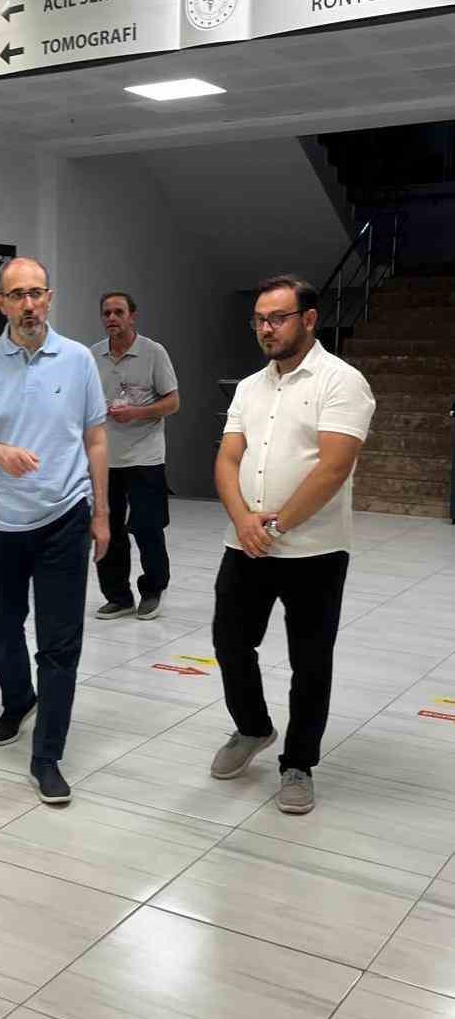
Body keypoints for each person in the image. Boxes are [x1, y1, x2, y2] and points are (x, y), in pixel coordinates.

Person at [212, 274, 375, 815]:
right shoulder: (249, 388)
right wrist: (244, 521)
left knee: (310, 660)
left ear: (308, 319)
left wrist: (275, 526)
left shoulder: (342, 381)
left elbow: (334, 467)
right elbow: (227, 459)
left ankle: (298, 763)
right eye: (260, 319)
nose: (266, 328)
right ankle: (253, 727)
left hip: (315, 551)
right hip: (246, 544)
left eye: (277, 318)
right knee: (230, 642)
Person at [0, 257, 109, 806]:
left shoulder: (78, 360)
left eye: (36, 293)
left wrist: (101, 514)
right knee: (1, 628)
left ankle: (47, 755)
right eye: (17, 295)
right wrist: (0, 454)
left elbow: (96, 439)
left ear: (50, 298)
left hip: (63, 517)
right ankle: (18, 698)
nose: (28, 304)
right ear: (1, 303)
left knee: (60, 643)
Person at [92, 292, 179, 620]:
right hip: (105, 458)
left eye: (118, 312)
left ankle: (153, 589)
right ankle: (118, 596)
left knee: (147, 527)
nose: (112, 318)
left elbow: (173, 402)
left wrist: (137, 413)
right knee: (107, 528)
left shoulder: (154, 352)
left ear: (132, 316)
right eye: (106, 313)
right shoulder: (92, 355)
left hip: (145, 457)